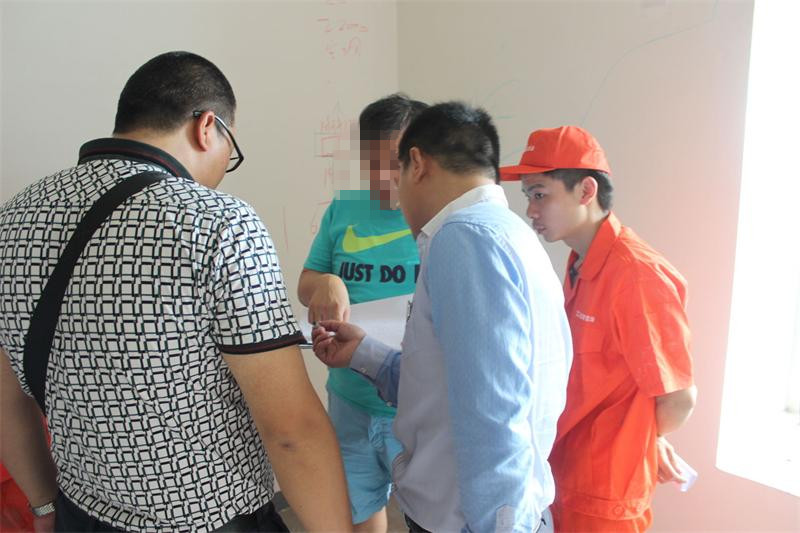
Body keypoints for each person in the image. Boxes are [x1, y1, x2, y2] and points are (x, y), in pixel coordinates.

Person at [0, 51, 351, 532]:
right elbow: (292, 430)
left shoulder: (15, 218)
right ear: (207, 127)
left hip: (81, 513)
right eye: (231, 150)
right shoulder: (219, 223)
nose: (225, 169)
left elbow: (7, 398)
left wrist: (43, 507)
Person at [312, 102, 573, 532]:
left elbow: (494, 412)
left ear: (416, 164)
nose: (395, 196)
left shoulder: (463, 237)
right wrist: (365, 353)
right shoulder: (511, 233)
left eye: (396, 175)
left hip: (469, 521)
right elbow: (453, 381)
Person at [500, 125, 697, 532]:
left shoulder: (636, 275)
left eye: (540, 194)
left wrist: (641, 437)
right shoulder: (580, 263)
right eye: (528, 196)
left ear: (586, 191)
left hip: (604, 496)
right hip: (565, 473)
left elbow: (678, 398)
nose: (531, 210)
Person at [297, 93, 426, 533]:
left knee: (427, 516)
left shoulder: (437, 222)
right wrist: (327, 282)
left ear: (420, 160)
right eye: (371, 164)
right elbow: (306, 283)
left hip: (413, 404)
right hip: (349, 397)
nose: (380, 177)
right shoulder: (345, 208)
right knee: (360, 507)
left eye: (392, 163)